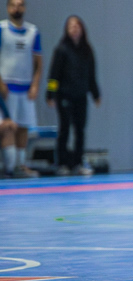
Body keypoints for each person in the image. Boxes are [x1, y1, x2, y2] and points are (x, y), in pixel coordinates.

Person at [46, 16, 101, 176]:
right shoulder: (61, 50)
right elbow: (54, 75)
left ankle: (77, 163)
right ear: (67, 30)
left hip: (81, 96)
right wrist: (50, 94)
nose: (74, 29)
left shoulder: (87, 51)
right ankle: (62, 163)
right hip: (64, 96)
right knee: (65, 129)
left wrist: (96, 94)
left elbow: (91, 75)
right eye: (71, 26)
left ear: (82, 29)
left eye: (77, 26)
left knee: (80, 130)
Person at [0, 0, 43, 177]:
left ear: (24, 8)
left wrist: (35, 85)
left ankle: (21, 164)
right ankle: (8, 166)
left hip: (25, 87)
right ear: (8, 7)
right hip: (6, 88)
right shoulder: (2, 29)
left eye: (20, 4)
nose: (17, 8)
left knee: (23, 126)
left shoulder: (33, 32)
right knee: (9, 126)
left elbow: (38, 63)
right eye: (13, 4)